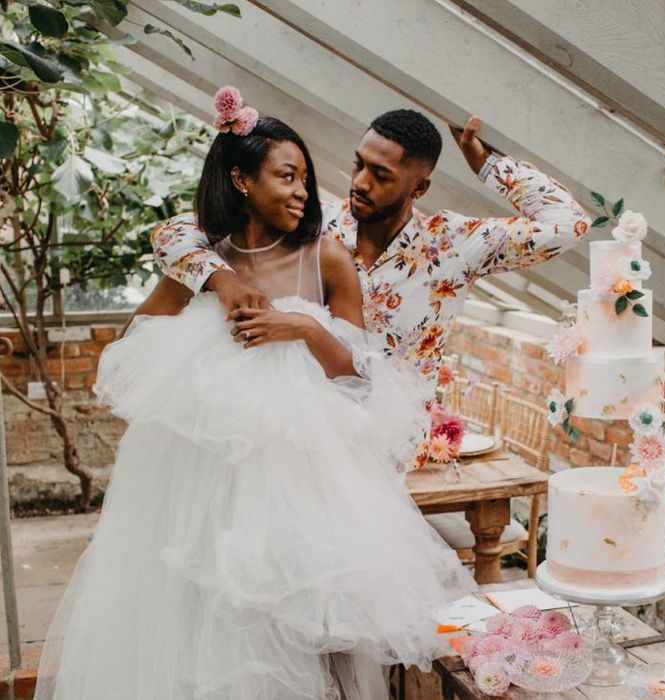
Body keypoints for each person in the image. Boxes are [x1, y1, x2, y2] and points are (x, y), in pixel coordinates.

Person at [34, 90, 475, 700]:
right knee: (200, 628)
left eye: (305, 177)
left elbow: (361, 379)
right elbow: (137, 336)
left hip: (303, 492)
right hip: (198, 494)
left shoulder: (328, 257)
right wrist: (212, 280)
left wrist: (305, 327)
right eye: (286, 176)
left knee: (298, 634)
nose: (303, 191)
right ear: (240, 180)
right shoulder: (202, 259)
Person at [151, 105, 591, 469]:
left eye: (381, 175)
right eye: (359, 164)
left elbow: (568, 224)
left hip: (389, 442)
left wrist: (486, 163)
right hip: (300, 429)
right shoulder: (314, 221)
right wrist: (221, 277)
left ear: (419, 186)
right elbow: (173, 233)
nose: (360, 181)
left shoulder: (457, 244)